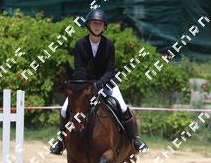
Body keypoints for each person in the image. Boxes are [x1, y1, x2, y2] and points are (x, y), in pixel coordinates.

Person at [50, 8, 148, 155]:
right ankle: (61, 141)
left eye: (100, 24)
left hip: (107, 85)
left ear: (104, 27)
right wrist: (86, 84)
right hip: (85, 86)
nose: (97, 26)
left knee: (122, 107)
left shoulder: (109, 45)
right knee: (64, 109)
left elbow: (110, 70)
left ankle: (134, 140)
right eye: (94, 23)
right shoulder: (80, 44)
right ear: (89, 25)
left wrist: (100, 82)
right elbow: (79, 68)